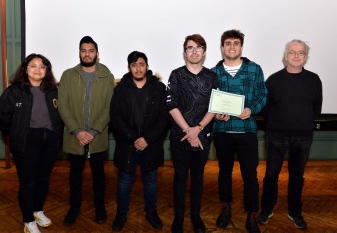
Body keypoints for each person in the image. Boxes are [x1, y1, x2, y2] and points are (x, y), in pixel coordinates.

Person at [257, 40, 323, 229]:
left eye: (300, 53)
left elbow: (316, 108)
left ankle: (295, 212)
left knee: (297, 176)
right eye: (292, 52)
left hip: (303, 137)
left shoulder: (314, 79)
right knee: (271, 175)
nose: (296, 55)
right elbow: (265, 108)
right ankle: (266, 209)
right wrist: (278, 123)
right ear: (285, 55)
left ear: (305, 57)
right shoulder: (273, 80)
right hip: (276, 135)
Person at [0, 53, 63, 233]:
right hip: (26, 142)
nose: (38, 70)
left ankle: (37, 211)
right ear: (25, 69)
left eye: (42, 67)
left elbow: (60, 118)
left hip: (49, 141)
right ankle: (28, 220)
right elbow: (3, 118)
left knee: (43, 180)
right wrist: (17, 134)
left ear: (47, 71)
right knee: (28, 183)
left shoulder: (53, 91)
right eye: (33, 66)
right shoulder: (13, 91)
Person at [211, 29, 267, 233]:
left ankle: (252, 214)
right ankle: (225, 208)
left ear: (241, 46)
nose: (232, 46)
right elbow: (209, 102)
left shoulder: (254, 69)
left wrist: (251, 109)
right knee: (224, 173)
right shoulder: (213, 72)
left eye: (236, 43)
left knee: (250, 175)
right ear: (222, 47)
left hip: (247, 131)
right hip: (222, 131)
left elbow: (262, 95)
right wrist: (216, 114)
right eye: (228, 43)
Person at [58, 36, 115, 226]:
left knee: (99, 175)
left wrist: (93, 131)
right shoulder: (68, 75)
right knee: (75, 175)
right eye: (83, 50)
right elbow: (63, 106)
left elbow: (109, 107)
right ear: (79, 53)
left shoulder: (107, 76)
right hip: (75, 137)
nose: (87, 54)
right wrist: (78, 131)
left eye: (91, 51)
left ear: (97, 54)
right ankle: (74, 208)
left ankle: (100, 208)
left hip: (97, 137)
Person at [109, 51, 168, 231]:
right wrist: (135, 138)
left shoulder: (159, 88)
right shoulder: (120, 89)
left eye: (141, 64)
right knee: (124, 181)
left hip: (151, 145)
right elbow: (116, 118)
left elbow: (164, 118)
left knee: (150, 181)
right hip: (128, 145)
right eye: (134, 65)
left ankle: (151, 212)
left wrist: (147, 139)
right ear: (129, 68)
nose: (138, 68)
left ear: (147, 66)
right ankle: (121, 213)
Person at [166, 34, 219, 233]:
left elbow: (214, 107)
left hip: (202, 136)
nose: (194, 51)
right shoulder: (176, 75)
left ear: (204, 52)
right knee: (180, 178)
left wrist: (198, 129)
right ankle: (178, 218)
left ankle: (196, 217)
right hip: (180, 137)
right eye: (190, 48)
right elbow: (171, 105)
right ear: (184, 52)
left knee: (198, 178)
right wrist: (189, 131)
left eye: (198, 48)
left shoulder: (212, 77)